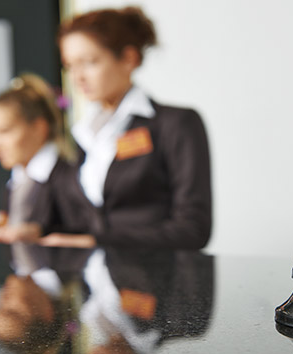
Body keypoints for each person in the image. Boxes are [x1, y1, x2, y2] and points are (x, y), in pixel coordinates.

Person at [37, 6, 212, 250]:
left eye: (89, 62)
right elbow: (81, 220)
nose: (77, 78)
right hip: (97, 283)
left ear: (128, 59)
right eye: (70, 65)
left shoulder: (175, 124)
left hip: (162, 282)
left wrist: (97, 241)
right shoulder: (83, 134)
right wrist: (33, 230)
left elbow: (193, 229)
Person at [0, 73, 77, 244]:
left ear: (39, 128)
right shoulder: (15, 183)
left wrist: (40, 234)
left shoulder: (70, 179)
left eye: (4, 131)